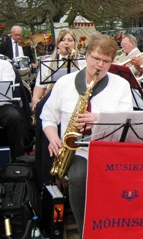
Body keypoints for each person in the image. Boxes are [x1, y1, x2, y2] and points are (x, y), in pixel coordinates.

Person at [41, 34, 134, 236]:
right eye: (96, 58)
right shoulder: (64, 83)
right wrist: (53, 138)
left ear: (112, 62)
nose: (100, 65)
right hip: (77, 151)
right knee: (80, 176)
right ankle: (87, 230)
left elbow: (127, 120)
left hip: (109, 149)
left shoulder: (121, 85)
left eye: (106, 61)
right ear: (86, 55)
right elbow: (47, 119)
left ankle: (117, 224)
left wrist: (98, 118)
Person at [32, 29, 83, 185]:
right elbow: (39, 88)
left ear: (75, 43)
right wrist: (34, 99)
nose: (67, 43)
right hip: (51, 100)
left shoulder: (81, 62)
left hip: (72, 102)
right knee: (43, 107)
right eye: (63, 40)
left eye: (70, 40)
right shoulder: (49, 62)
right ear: (58, 44)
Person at [0, 59, 26, 161]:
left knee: (15, 118)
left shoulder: (5, 65)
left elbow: (7, 88)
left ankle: (18, 160)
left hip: (2, 105)